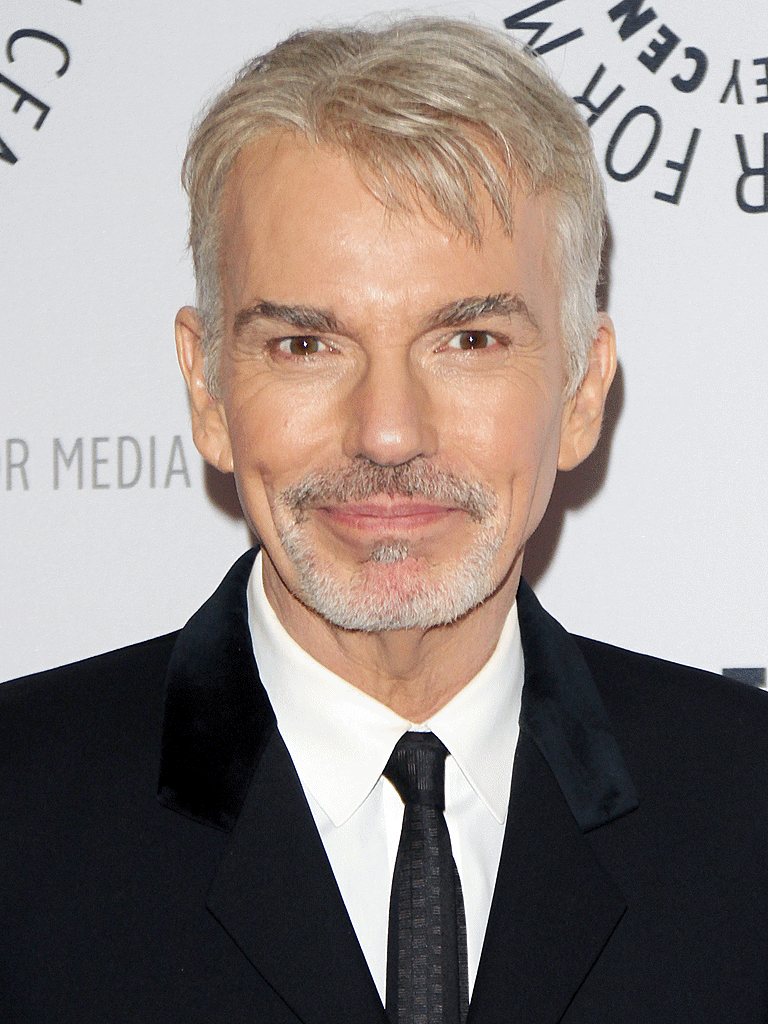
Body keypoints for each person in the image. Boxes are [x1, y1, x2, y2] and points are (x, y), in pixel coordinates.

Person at [2, 17, 768, 1024]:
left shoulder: (750, 804)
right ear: (208, 389)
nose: (391, 431)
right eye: (306, 345)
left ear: (583, 390)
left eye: (469, 339)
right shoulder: (19, 810)